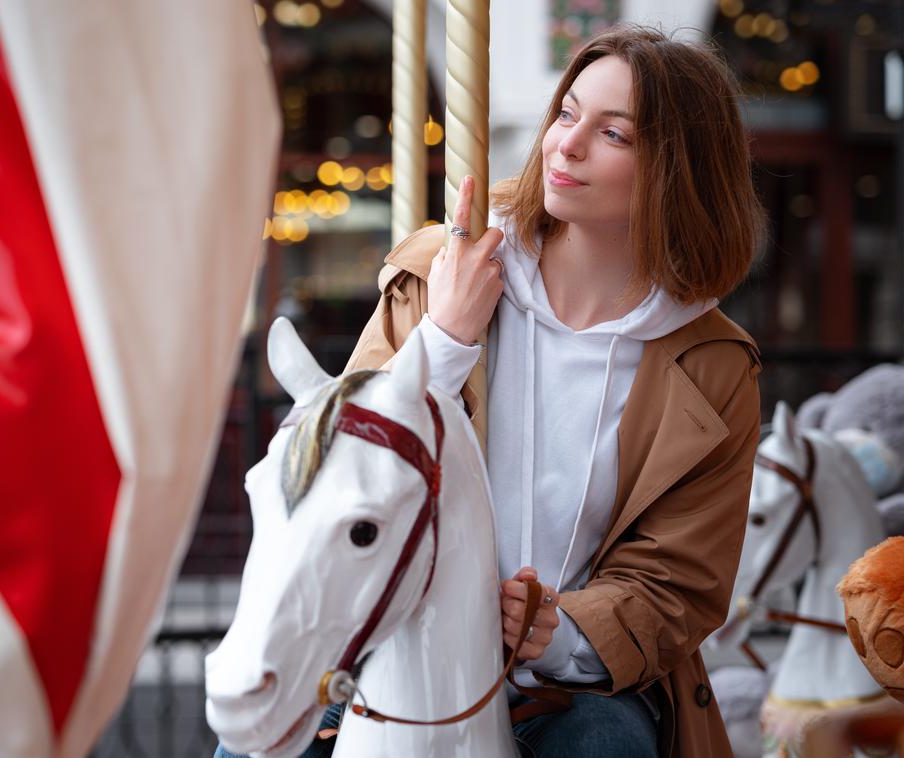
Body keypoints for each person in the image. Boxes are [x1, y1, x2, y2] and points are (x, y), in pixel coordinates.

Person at [216, 25, 762, 758]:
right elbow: (335, 464)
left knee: (607, 748)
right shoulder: (444, 269)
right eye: (566, 114)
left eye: (615, 134)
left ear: (681, 167)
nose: (566, 145)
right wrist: (443, 339)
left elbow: (681, 580)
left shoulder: (713, 365)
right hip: (388, 645)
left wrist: (564, 627)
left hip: (563, 686)